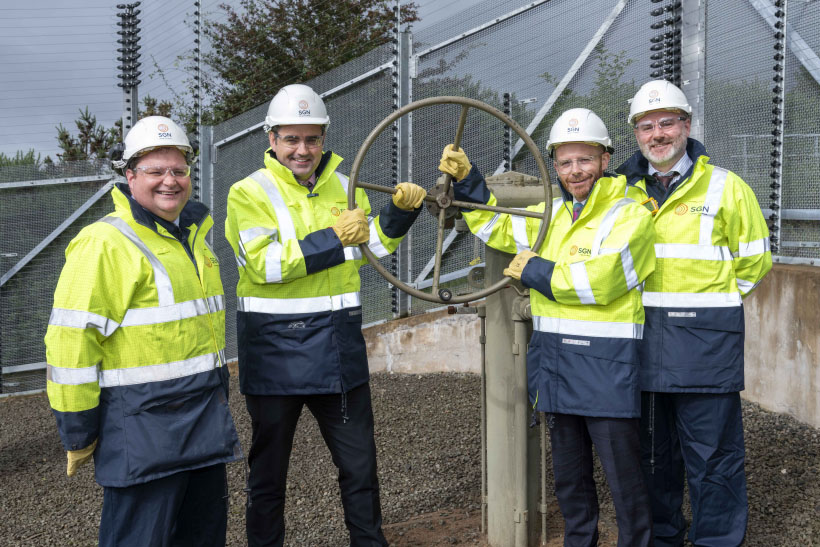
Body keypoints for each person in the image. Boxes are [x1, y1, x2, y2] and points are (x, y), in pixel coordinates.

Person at [439, 108, 656, 546]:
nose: (576, 172)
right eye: (565, 162)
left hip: (607, 369)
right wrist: (468, 181)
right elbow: (496, 225)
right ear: (554, 165)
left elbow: (602, 282)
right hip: (557, 365)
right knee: (571, 483)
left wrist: (534, 271)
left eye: (585, 160)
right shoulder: (549, 213)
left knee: (626, 484)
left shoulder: (630, 215)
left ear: (605, 158)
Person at [225, 83, 426, 547]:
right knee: (269, 479)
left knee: (360, 470)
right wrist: (335, 237)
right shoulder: (248, 192)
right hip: (276, 357)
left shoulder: (342, 184)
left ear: (323, 139)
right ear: (271, 139)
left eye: (312, 139)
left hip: (337, 353)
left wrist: (398, 214)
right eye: (291, 139)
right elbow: (265, 264)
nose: (303, 149)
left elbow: (368, 248)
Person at [45, 115, 241, 547]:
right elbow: (71, 343)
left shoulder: (192, 238)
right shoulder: (105, 243)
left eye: (178, 170)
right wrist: (78, 430)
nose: (169, 181)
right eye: (155, 171)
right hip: (145, 435)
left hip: (202, 427)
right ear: (130, 176)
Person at [616, 80, 773, 546]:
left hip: (706, 351)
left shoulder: (726, 187)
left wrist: (710, 308)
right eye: (647, 126)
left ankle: (717, 541)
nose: (657, 133)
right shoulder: (617, 192)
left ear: (686, 125)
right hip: (639, 349)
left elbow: (754, 261)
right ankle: (663, 539)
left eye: (667, 122)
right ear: (636, 135)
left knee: (714, 460)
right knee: (652, 460)